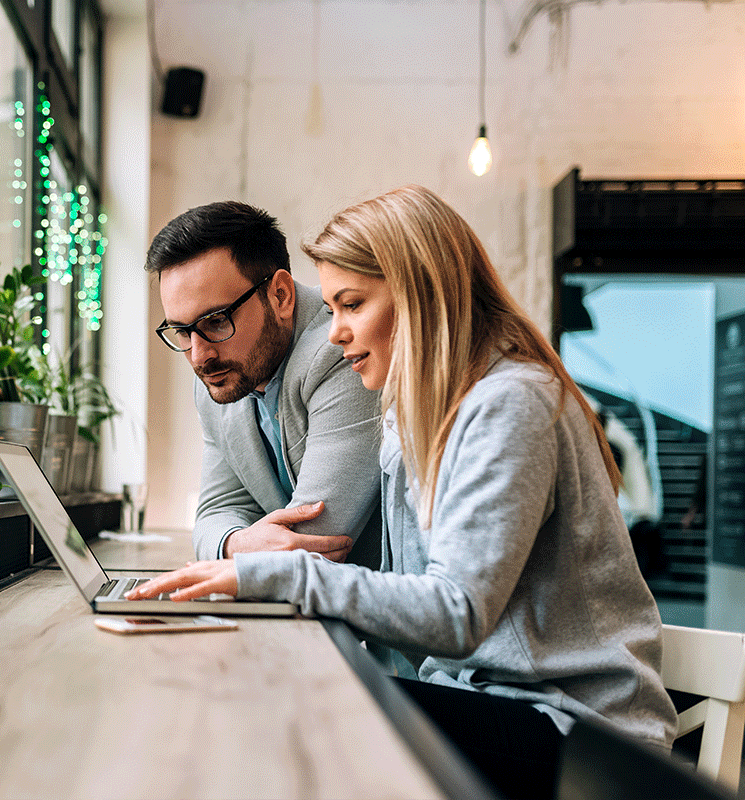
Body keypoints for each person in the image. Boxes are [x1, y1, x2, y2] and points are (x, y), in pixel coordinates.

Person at [131, 186, 678, 800]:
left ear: (422, 295)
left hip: (580, 737)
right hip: (490, 701)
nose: (335, 332)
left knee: (287, 727)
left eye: (352, 305)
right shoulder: (416, 414)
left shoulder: (511, 403)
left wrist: (267, 574)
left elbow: (456, 613)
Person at [145, 200, 383, 568]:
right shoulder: (222, 375)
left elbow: (313, 541)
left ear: (280, 296)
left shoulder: (346, 351)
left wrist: (238, 549)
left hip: (374, 614)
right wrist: (235, 545)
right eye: (182, 331)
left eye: (216, 321)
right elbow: (216, 511)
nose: (198, 356)